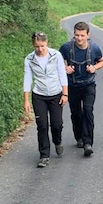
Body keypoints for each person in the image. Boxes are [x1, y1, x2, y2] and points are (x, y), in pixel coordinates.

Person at [59, 21, 103, 156]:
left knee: (87, 110)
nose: (79, 38)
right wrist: (64, 68)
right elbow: (57, 61)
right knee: (76, 113)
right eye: (77, 35)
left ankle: (87, 143)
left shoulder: (94, 48)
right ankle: (79, 137)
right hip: (72, 86)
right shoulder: (66, 48)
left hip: (88, 85)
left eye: (82, 35)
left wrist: (94, 67)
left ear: (88, 35)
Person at [23, 32, 69, 168]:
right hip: (39, 95)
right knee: (42, 125)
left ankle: (57, 141)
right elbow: (27, 79)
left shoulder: (56, 55)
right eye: (37, 46)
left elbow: (62, 73)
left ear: (46, 43)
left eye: (42, 46)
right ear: (33, 45)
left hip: (56, 94)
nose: (40, 49)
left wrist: (65, 94)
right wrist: (26, 100)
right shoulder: (29, 59)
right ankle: (44, 155)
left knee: (57, 124)